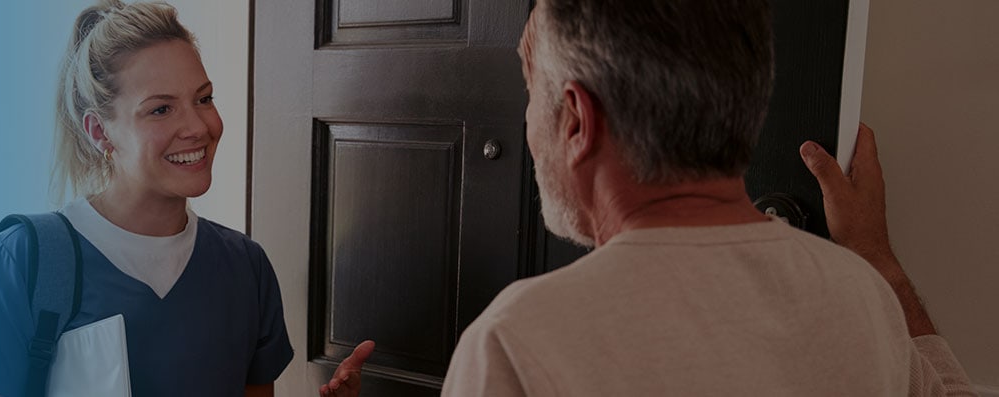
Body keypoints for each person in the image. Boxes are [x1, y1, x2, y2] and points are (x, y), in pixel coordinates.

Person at [318, 0, 975, 395]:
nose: (527, 124)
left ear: (575, 119)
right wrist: (878, 260)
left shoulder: (518, 343)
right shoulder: (863, 301)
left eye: (529, 90)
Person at [0, 1, 292, 396]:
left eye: (204, 99)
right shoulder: (19, 262)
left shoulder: (246, 268)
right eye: (161, 109)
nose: (197, 126)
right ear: (99, 131)